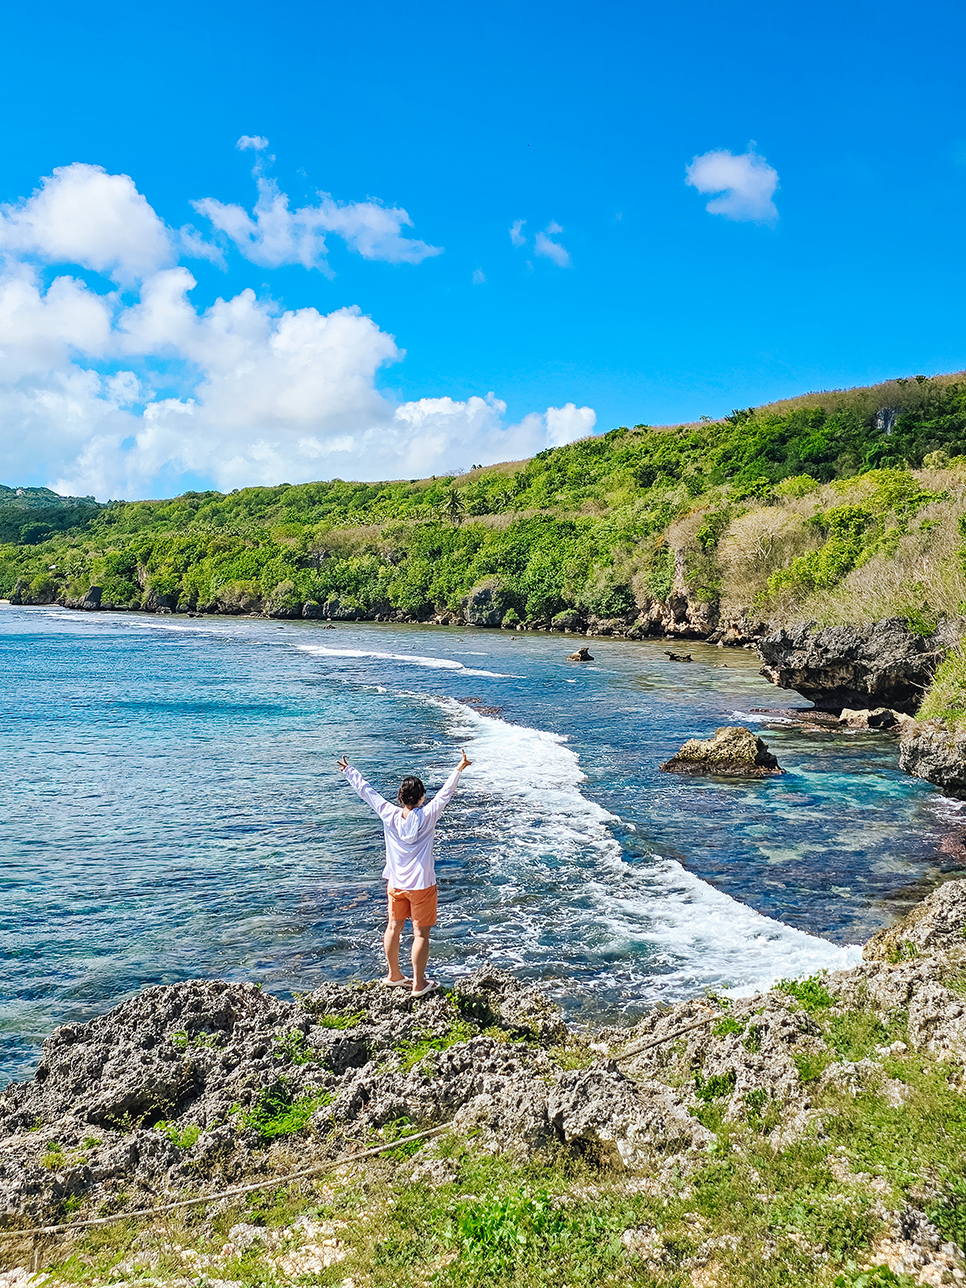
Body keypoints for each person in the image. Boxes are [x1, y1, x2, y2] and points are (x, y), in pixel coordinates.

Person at [337, 748, 472, 997]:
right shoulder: (429, 815)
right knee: (420, 933)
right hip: (422, 884)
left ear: (400, 797)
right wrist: (459, 768)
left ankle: (394, 976)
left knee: (393, 927)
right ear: (421, 797)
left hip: (395, 883)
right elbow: (445, 794)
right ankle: (419, 984)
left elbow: (368, 793)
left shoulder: (388, 813)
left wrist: (349, 771)